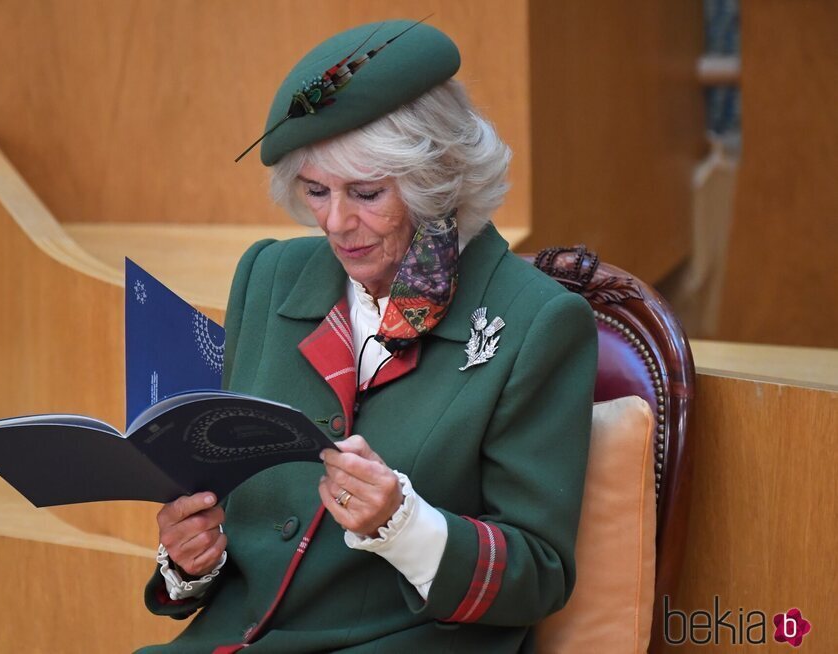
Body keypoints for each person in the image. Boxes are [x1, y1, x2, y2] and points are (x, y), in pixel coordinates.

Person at [137, 19, 597, 653]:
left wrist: (404, 525)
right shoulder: (268, 276)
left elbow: (539, 574)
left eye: (368, 193)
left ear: (440, 179)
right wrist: (193, 561)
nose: (336, 222)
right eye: (317, 191)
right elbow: (244, 520)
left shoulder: (538, 321)